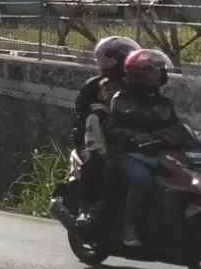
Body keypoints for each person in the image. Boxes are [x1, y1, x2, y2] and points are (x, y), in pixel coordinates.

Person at [105, 48, 178, 247]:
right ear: (141, 74)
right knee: (142, 179)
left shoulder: (163, 102)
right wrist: (134, 137)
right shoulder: (123, 100)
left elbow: (174, 126)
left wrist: (193, 136)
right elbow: (112, 130)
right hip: (126, 154)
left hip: (156, 154)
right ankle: (130, 228)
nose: (162, 74)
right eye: (156, 70)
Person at [72, 35, 138, 218]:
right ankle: (85, 208)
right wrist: (84, 145)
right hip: (94, 140)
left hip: (124, 141)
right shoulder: (94, 87)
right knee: (97, 162)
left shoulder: (134, 85)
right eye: (124, 55)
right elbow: (80, 120)